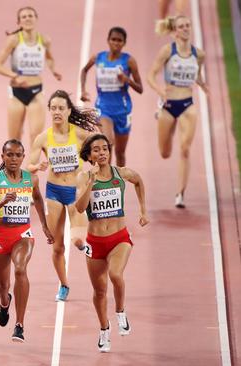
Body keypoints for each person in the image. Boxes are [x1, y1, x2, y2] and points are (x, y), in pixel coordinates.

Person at [75, 134, 149, 352]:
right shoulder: (83, 177)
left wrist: (143, 210)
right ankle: (104, 330)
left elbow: (138, 181)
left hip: (119, 238)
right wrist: (89, 185)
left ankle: (120, 312)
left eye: (105, 149)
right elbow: (80, 208)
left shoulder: (121, 173)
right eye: (96, 150)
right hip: (95, 242)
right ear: (89, 155)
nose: (102, 153)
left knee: (116, 275)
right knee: (99, 291)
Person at [28, 89, 99, 301]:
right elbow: (29, 165)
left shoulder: (79, 134)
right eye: (53, 108)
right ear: (49, 110)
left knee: (77, 241)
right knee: (57, 245)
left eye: (61, 108)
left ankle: (90, 248)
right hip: (54, 191)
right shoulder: (43, 138)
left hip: (75, 193)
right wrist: (37, 166)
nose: (57, 111)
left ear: (69, 111)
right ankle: (64, 284)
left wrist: (95, 168)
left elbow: (99, 148)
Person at [0, 139, 53, 342]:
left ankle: (19, 325)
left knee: (20, 269)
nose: (13, 158)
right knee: (3, 285)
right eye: (9, 155)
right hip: (0, 236)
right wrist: (2, 202)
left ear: (23, 157)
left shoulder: (31, 180)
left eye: (18, 155)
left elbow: (38, 198)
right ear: (2, 157)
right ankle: (5, 302)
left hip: (23, 235)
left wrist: (45, 225)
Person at [147, 15, 208, 208]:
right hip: (168, 105)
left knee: (185, 148)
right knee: (165, 152)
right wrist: (159, 91)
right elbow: (150, 75)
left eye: (188, 25)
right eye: (182, 26)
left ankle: (180, 194)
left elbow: (197, 75)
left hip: (187, 105)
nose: (186, 29)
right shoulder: (167, 51)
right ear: (174, 31)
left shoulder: (199, 55)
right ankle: (166, 123)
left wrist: (205, 87)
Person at [0, 6, 62, 146]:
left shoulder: (44, 40)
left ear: (36, 19)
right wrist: (14, 75)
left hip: (36, 91)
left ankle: (31, 168)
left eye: (30, 15)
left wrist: (53, 70)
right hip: (16, 93)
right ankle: (12, 167)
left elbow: (49, 57)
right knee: (14, 139)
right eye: (24, 17)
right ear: (18, 22)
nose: (27, 18)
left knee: (36, 137)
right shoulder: (14, 40)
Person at [80, 26, 143, 167]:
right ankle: (105, 182)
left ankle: (119, 185)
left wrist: (127, 80)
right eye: (113, 39)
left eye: (119, 40)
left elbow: (140, 89)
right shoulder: (98, 58)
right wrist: (83, 90)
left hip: (123, 110)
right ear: (108, 41)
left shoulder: (129, 61)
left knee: (120, 153)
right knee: (108, 144)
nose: (116, 43)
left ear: (124, 43)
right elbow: (84, 70)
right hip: (103, 108)